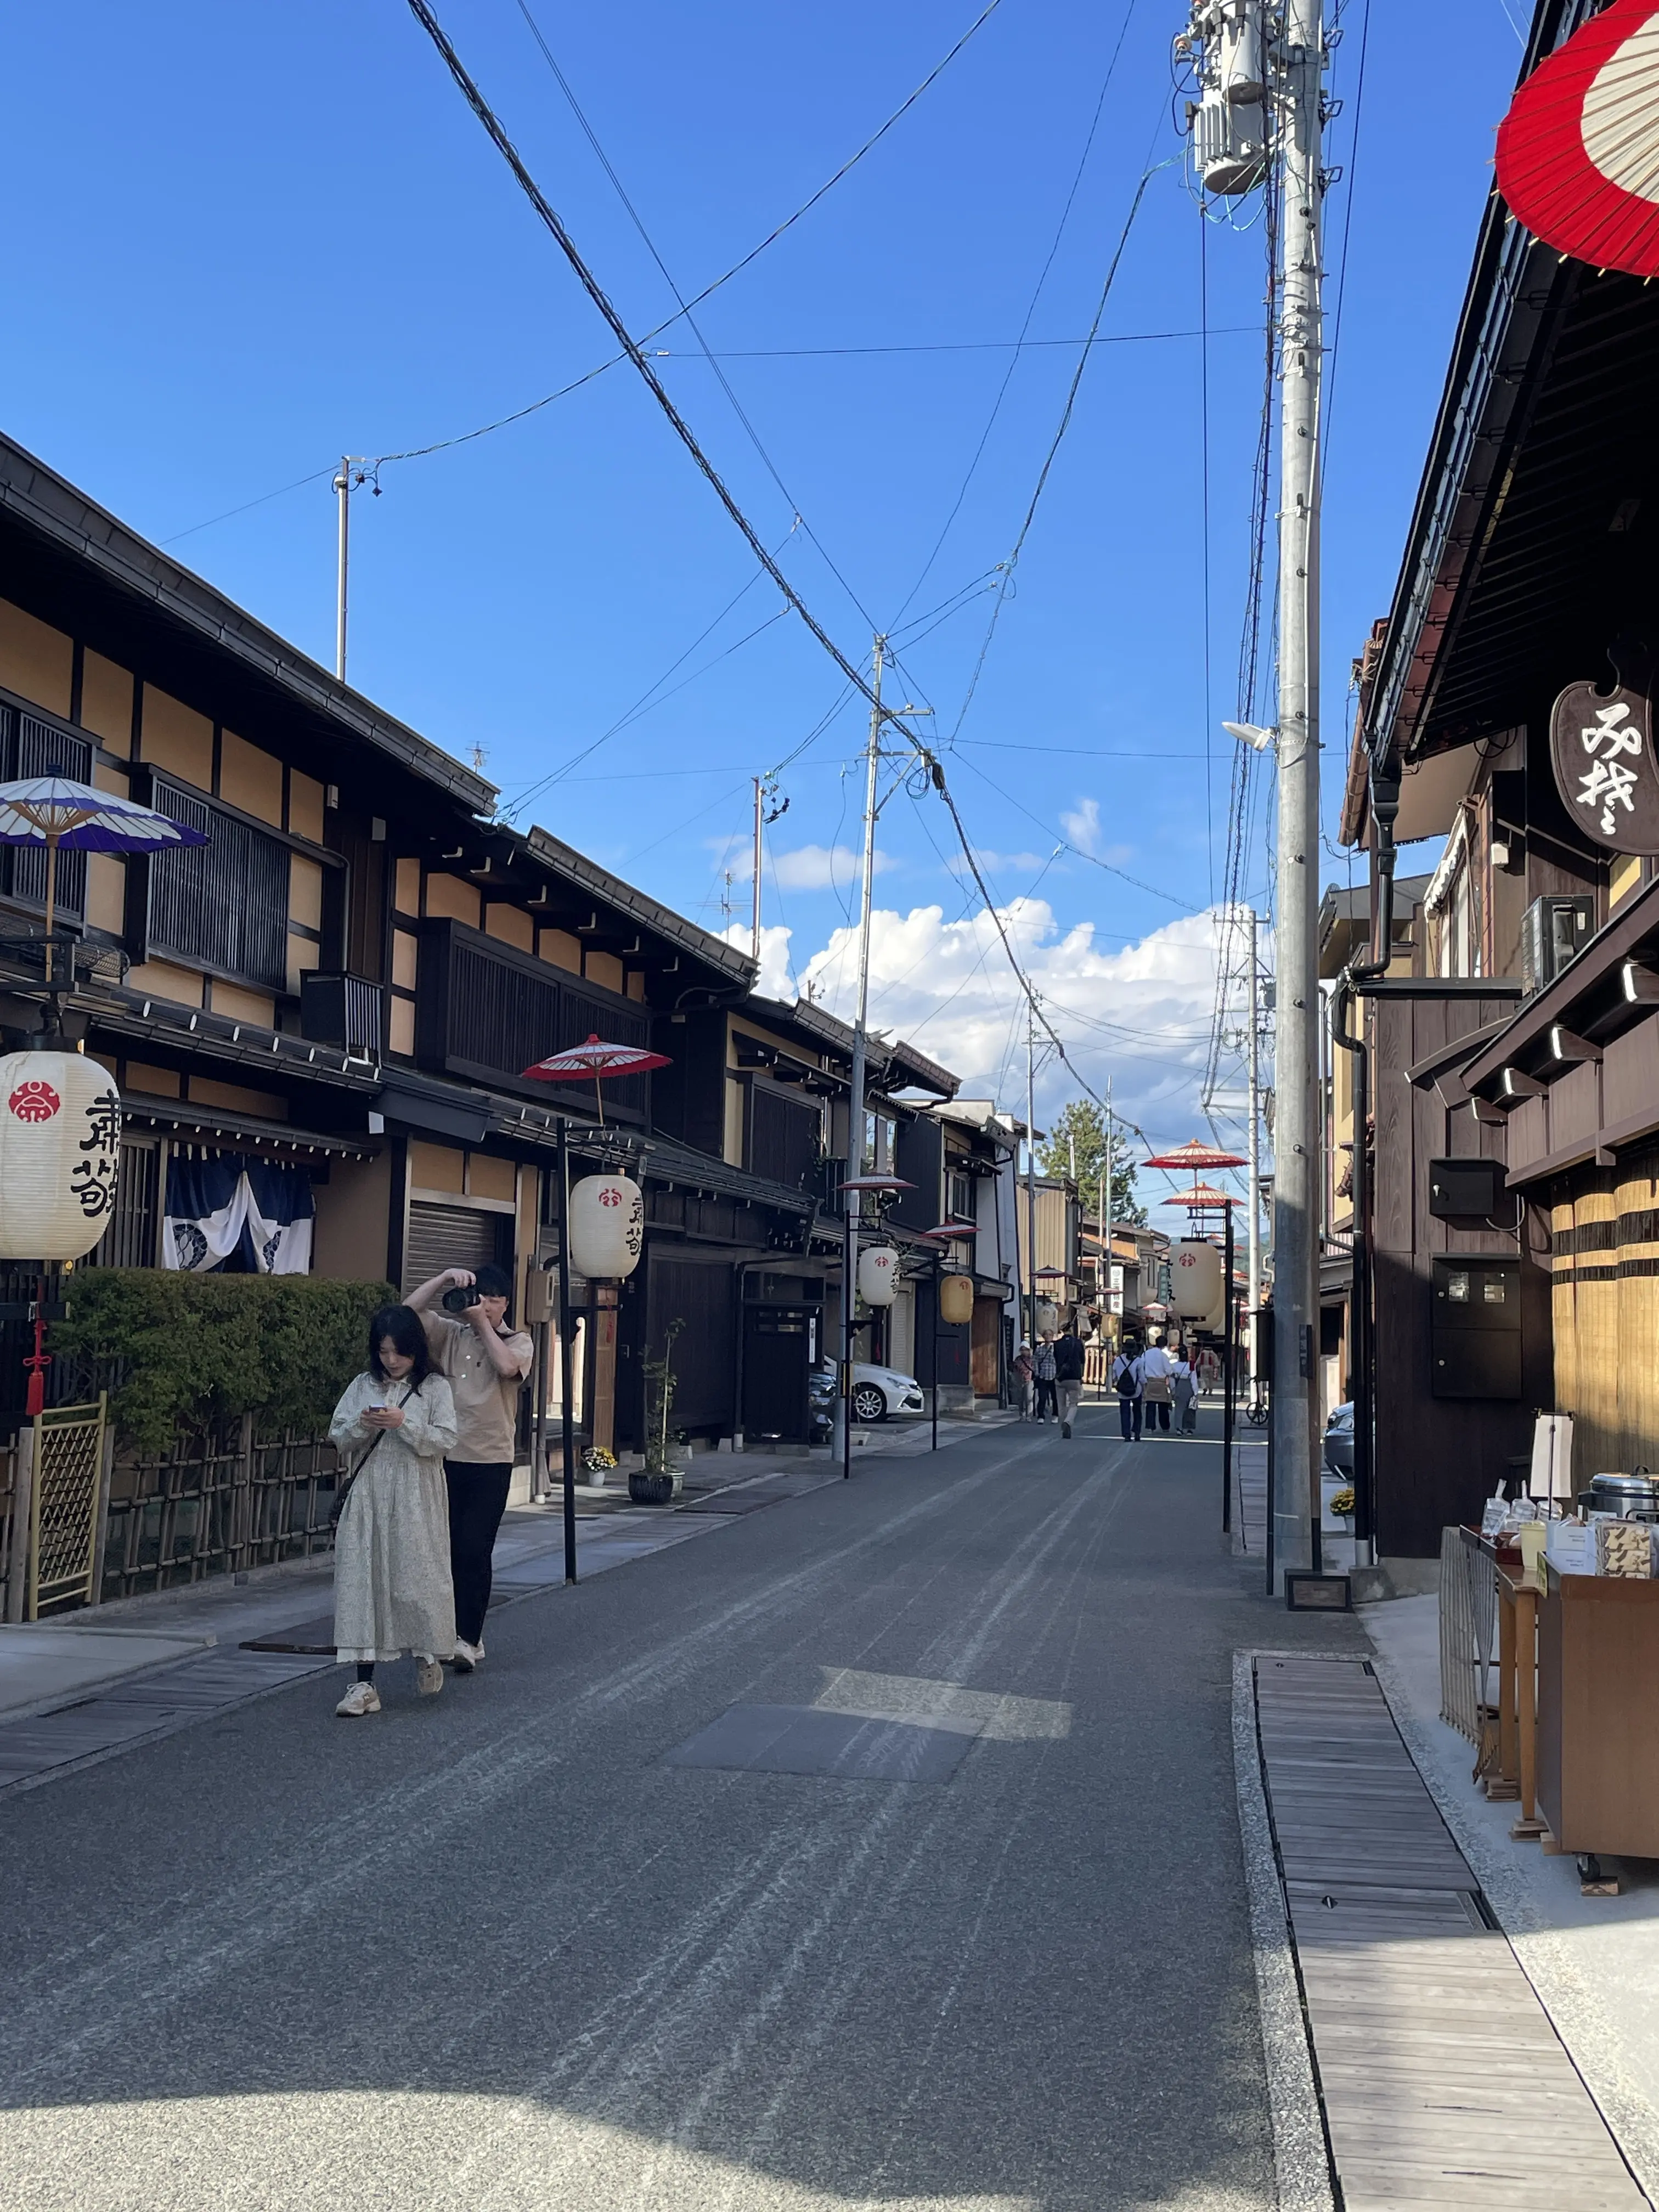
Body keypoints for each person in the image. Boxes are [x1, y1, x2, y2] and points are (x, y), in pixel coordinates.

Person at [330, 1304, 459, 1717]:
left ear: (416, 1350)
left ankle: (427, 1652)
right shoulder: (362, 1385)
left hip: (416, 1496)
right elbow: (338, 1436)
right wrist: (364, 1425)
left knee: (415, 1579)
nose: (391, 1360)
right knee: (362, 1582)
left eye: (399, 1352)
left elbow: (446, 1440)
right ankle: (363, 1683)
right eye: (384, 1351)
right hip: (369, 1494)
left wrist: (405, 1422)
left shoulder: (435, 1388)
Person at [407, 1263, 534, 1671]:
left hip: (490, 1461)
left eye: (493, 1299)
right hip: (443, 1457)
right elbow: (406, 1316)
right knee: (442, 1550)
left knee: (474, 1549)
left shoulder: (521, 1340)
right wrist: (444, 1279)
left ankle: (469, 1638)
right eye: (480, 1297)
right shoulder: (450, 1333)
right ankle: (443, 1633)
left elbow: (507, 1368)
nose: (485, 1305)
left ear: (505, 1303)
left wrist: (483, 1325)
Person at [1053, 1323, 1085, 1438]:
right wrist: (1081, 1375)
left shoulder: (1057, 1345)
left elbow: (1056, 1360)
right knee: (1073, 1403)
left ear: (1062, 1331)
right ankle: (1068, 1421)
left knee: (1061, 1405)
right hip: (1074, 1377)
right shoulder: (1078, 1343)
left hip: (1060, 1377)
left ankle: (1064, 1427)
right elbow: (1082, 1361)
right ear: (1071, 1329)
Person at [1140, 1336, 1174, 1434]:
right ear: (1164, 1345)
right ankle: (1165, 1427)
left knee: (1150, 1405)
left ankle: (1150, 1427)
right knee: (1163, 1406)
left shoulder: (1146, 1354)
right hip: (1161, 1382)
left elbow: (1142, 1366)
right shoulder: (1163, 1356)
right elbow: (1169, 1370)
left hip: (1150, 1381)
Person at [1110, 1341, 1142, 1442]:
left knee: (1125, 1412)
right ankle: (1137, 1433)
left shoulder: (1118, 1360)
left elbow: (1114, 1376)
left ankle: (1127, 1434)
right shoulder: (1139, 1361)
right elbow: (1142, 1378)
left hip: (1123, 1391)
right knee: (1137, 1412)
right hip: (1136, 1390)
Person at [1032, 1335, 1058, 1423]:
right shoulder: (1039, 1349)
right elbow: (1035, 1361)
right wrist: (1036, 1373)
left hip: (1054, 1375)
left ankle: (1055, 1415)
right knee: (1042, 1397)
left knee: (1055, 1398)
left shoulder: (1056, 1349)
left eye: (1050, 1335)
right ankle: (1041, 1416)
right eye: (1046, 1335)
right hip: (1043, 1376)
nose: (1048, 1337)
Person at [1172, 1351, 1198, 1434]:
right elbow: (1194, 1379)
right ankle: (1189, 1428)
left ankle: (1179, 1428)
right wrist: (1196, 1392)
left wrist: (1173, 1389)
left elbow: (1172, 1378)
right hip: (1189, 1385)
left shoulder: (1175, 1365)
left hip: (1179, 1386)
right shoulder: (1191, 1365)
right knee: (1190, 1408)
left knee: (1179, 1408)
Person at [1013, 1338, 1035, 1419]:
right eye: (1022, 1349)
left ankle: (1029, 1415)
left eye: (1025, 1349)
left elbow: (1035, 1368)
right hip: (1020, 1380)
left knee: (1029, 1398)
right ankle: (1022, 1414)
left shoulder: (1032, 1358)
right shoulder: (1018, 1359)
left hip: (1030, 1380)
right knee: (1021, 1398)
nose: (1023, 1351)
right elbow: (1015, 1369)